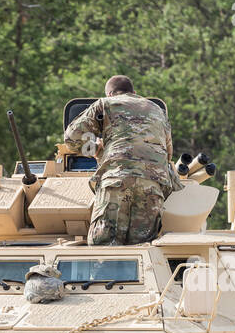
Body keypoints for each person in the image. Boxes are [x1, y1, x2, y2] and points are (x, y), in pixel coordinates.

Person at [61, 75, 179, 245]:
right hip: (153, 185)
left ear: (110, 94)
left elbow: (72, 138)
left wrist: (97, 150)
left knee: (104, 247)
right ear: (134, 93)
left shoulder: (104, 104)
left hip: (116, 181)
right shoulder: (157, 110)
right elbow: (168, 153)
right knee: (142, 249)